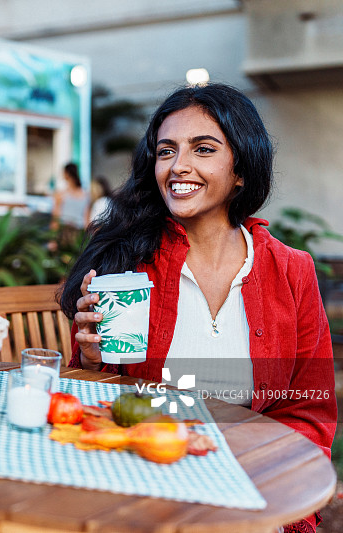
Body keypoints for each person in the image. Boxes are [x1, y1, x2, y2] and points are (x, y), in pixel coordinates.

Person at [59, 83, 335, 533]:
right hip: (145, 491)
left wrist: (276, 504)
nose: (178, 166)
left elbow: (309, 411)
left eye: (203, 149)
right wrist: (91, 361)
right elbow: (95, 411)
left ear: (241, 169)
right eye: (166, 151)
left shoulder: (291, 271)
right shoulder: (128, 268)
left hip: (250, 492)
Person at [51, 162, 90, 231]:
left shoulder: (60, 194)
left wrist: (53, 235)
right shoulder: (85, 194)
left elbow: (56, 217)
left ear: (67, 174)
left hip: (64, 231)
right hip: (79, 232)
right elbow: (86, 219)